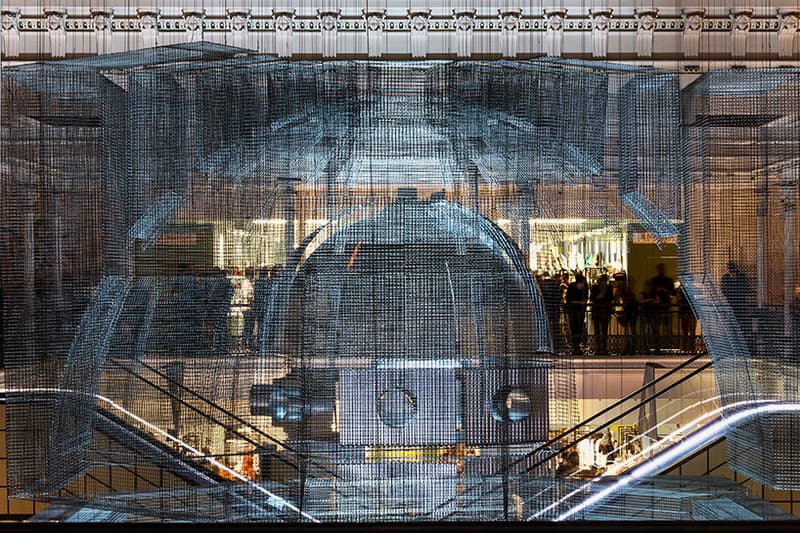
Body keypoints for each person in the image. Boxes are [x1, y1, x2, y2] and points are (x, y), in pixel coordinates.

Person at [647, 263, 676, 353]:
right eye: (660, 269)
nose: (661, 270)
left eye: (662, 269)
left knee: (666, 327)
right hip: (658, 307)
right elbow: (650, 293)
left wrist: (665, 291)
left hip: (665, 306)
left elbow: (673, 293)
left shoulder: (667, 281)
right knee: (657, 328)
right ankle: (658, 345)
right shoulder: (654, 281)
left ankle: (666, 345)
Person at [539, 272, 565, 354]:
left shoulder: (542, 285)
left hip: (546, 309)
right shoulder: (555, 285)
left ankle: (547, 345)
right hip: (554, 309)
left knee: (546, 327)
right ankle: (557, 345)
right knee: (555, 327)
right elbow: (559, 297)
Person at [614, 274, 639, 354]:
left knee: (629, 330)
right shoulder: (626, 288)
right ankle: (631, 346)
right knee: (630, 329)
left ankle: (631, 346)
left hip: (630, 310)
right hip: (630, 310)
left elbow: (619, 297)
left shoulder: (625, 289)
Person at [565, 273, 589, 355]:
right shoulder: (572, 287)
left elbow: (586, 297)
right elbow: (568, 299)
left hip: (580, 311)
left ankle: (577, 344)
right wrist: (579, 302)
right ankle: (575, 345)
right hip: (573, 311)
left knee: (579, 327)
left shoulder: (585, 288)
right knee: (574, 327)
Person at [590, 274, 613, 355]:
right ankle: (599, 347)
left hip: (605, 311)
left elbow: (611, 298)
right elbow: (592, 298)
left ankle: (603, 347)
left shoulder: (609, 288)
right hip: (597, 311)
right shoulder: (595, 288)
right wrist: (598, 297)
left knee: (604, 330)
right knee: (598, 330)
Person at [676, 287, 697, 353]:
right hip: (688, 311)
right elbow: (678, 300)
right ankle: (689, 347)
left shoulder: (681, 289)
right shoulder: (682, 289)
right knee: (689, 330)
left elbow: (678, 300)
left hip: (687, 311)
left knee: (688, 330)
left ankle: (688, 347)